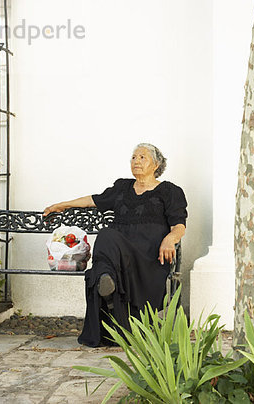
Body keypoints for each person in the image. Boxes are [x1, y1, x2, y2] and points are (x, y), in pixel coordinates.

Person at [43, 143, 187, 347]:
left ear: (156, 164)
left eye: (142, 157)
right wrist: (61, 205)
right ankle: (106, 281)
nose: (136, 161)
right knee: (107, 235)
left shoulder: (170, 191)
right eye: (133, 157)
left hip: (149, 257)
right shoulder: (122, 187)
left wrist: (170, 239)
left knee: (106, 241)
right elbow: (94, 200)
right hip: (119, 256)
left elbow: (179, 225)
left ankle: (108, 289)